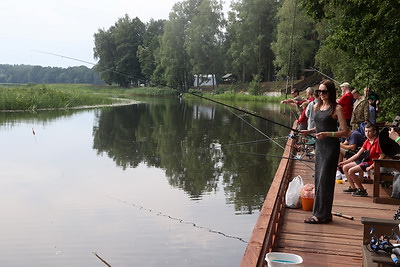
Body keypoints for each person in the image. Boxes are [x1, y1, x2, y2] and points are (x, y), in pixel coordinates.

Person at [301, 80, 350, 224]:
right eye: (319, 92)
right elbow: (319, 127)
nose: (321, 94)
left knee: (325, 180)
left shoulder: (337, 109)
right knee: (318, 179)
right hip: (320, 147)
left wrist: (328, 134)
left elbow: (345, 132)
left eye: (324, 92)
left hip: (330, 147)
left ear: (331, 92)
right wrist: (308, 131)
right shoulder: (317, 106)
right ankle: (324, 213)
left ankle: (320, 215)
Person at [339, 123, 384, 197]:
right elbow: (357, 154)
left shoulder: (377, 142)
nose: (367, 133)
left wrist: (372, 166)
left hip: (372, 163)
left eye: (369, 131)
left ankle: (362, 190)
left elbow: (382, 156)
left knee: (351, 171)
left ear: (374, 132)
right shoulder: (367, 141)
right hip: (365, 161)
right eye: (366, 131)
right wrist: (345, 162)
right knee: (345, 167)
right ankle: (353, 188)